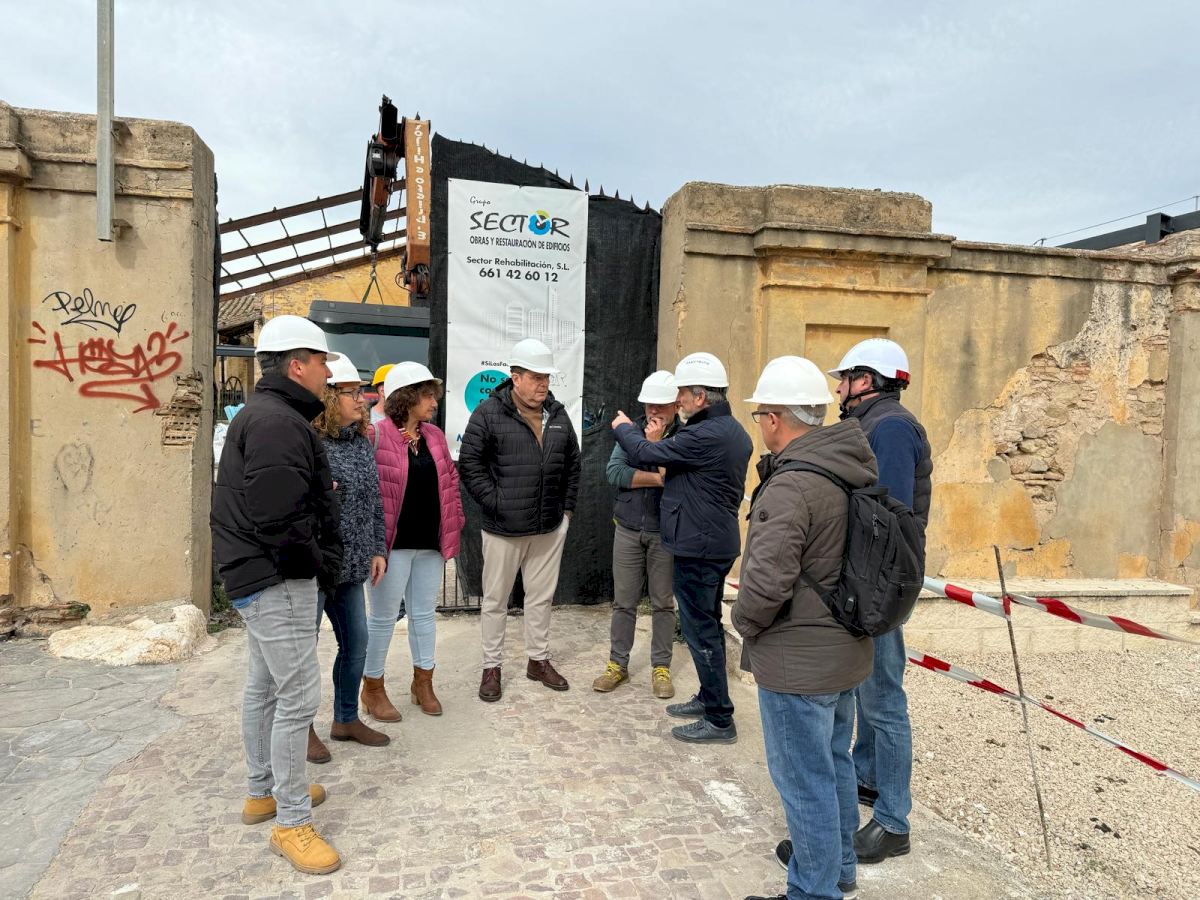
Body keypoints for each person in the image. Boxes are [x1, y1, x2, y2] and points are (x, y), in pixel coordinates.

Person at [736, 356, 878, 900]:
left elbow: (766, 582)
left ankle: (813, 891)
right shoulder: (846, 465)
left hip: (799, 661)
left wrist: (744, 623)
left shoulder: (792, 483)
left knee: (804, 782)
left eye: (760, 416)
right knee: (834, 764)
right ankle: (838, 868)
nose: (760, 425)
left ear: (774, 418)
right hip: (843, 651)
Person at [210, 314, 344, 875]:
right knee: (297, 697)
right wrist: (318, 563)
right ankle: (291, 821)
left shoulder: (270, 415)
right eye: (322, 363)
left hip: (260, 574)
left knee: (264, 686)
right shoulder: (277, 422)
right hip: (276, 577)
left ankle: (262, 791)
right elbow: (279, 517)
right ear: (296, 365)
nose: (327, 374)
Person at [611, 351, 752, 744]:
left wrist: (624, 428)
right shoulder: (730, 430)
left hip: (700, 547)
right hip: (710, 542)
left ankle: (719, 719)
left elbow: (644, 453)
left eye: (683, 394)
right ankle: (710, 698)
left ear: (700, 397)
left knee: (700, 630)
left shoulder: (703, 434)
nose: (678, 400)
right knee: (706, 625)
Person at [828, 338, 932, 865]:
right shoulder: (875, 422)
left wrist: (861, 589)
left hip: (878, 582)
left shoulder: (888, 428)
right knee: (869, 688)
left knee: (884, 699)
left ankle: (893, 822)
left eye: (844, 379)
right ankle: (868, 775)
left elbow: (883, 517)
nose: (838, 389)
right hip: (873, 578)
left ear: (866, 380)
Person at [459, 338, 581, 702]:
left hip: (548, 527)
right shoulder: (488, 413)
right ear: (515, 378)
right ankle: (491, 667)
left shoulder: (557, 415)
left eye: (547, 377)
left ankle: (537, 661)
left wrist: (566, 512)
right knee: (495, 601)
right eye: (536, 377)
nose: (543, 384)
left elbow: (573, 465)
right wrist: (497, 503)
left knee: (540, 599)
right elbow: (470, 465)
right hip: (503, 529)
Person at [361, 362, 465, 720]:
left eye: (434, 395)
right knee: (383, 618)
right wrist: (373, 544)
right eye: (427, 395)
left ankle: (423, 683)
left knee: (424, 614)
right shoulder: (376, 435)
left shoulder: (434, 436)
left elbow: (451, 482)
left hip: (429, 542)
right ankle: (372, 688)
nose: (434, 402)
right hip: (391, 546)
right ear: (407, 397)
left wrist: (454, 524)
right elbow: (366, 492)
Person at [307, 353, 389, 758]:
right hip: (313, 567)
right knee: (302, 654)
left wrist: (377, 547)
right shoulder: (310, 443)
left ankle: (345, 718)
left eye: (362, 392)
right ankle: (300, 727)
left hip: (351, 565)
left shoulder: (360, 442)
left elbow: (374, 501)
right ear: (328, 397)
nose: (362, 399)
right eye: (352, 392)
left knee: (357, 644)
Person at [593, 370, 680, 699]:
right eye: (649, 405)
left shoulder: (685, 436)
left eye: (661, 405)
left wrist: (654, 448)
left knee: (663, 603)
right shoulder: (630, 432)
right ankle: (618, 664)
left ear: (675, 405)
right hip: (628, 528)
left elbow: (681, 480)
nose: (653, 411)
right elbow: (615, 472)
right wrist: (659, 477)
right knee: (624, 602)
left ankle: (661, 667)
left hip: (665, 533)